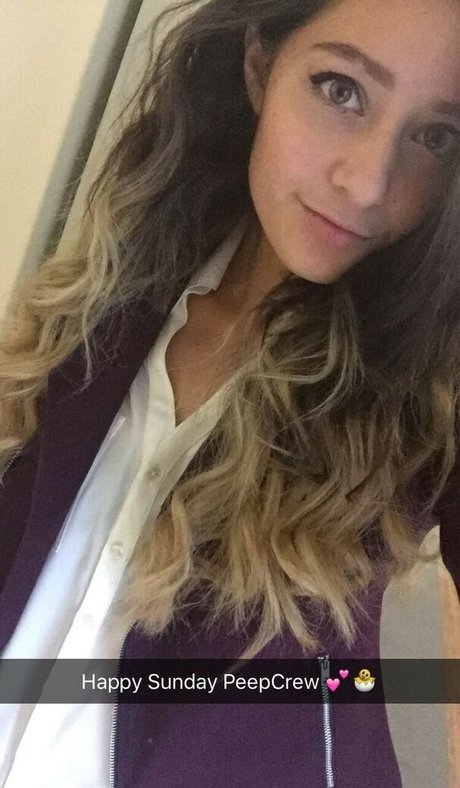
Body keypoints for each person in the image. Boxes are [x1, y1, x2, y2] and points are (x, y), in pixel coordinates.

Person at [0, 0, 459, 785]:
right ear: (258, 66)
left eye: (437, 136)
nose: (367, 183)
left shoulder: (422, 390)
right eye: (341, 90)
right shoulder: (114, 297)